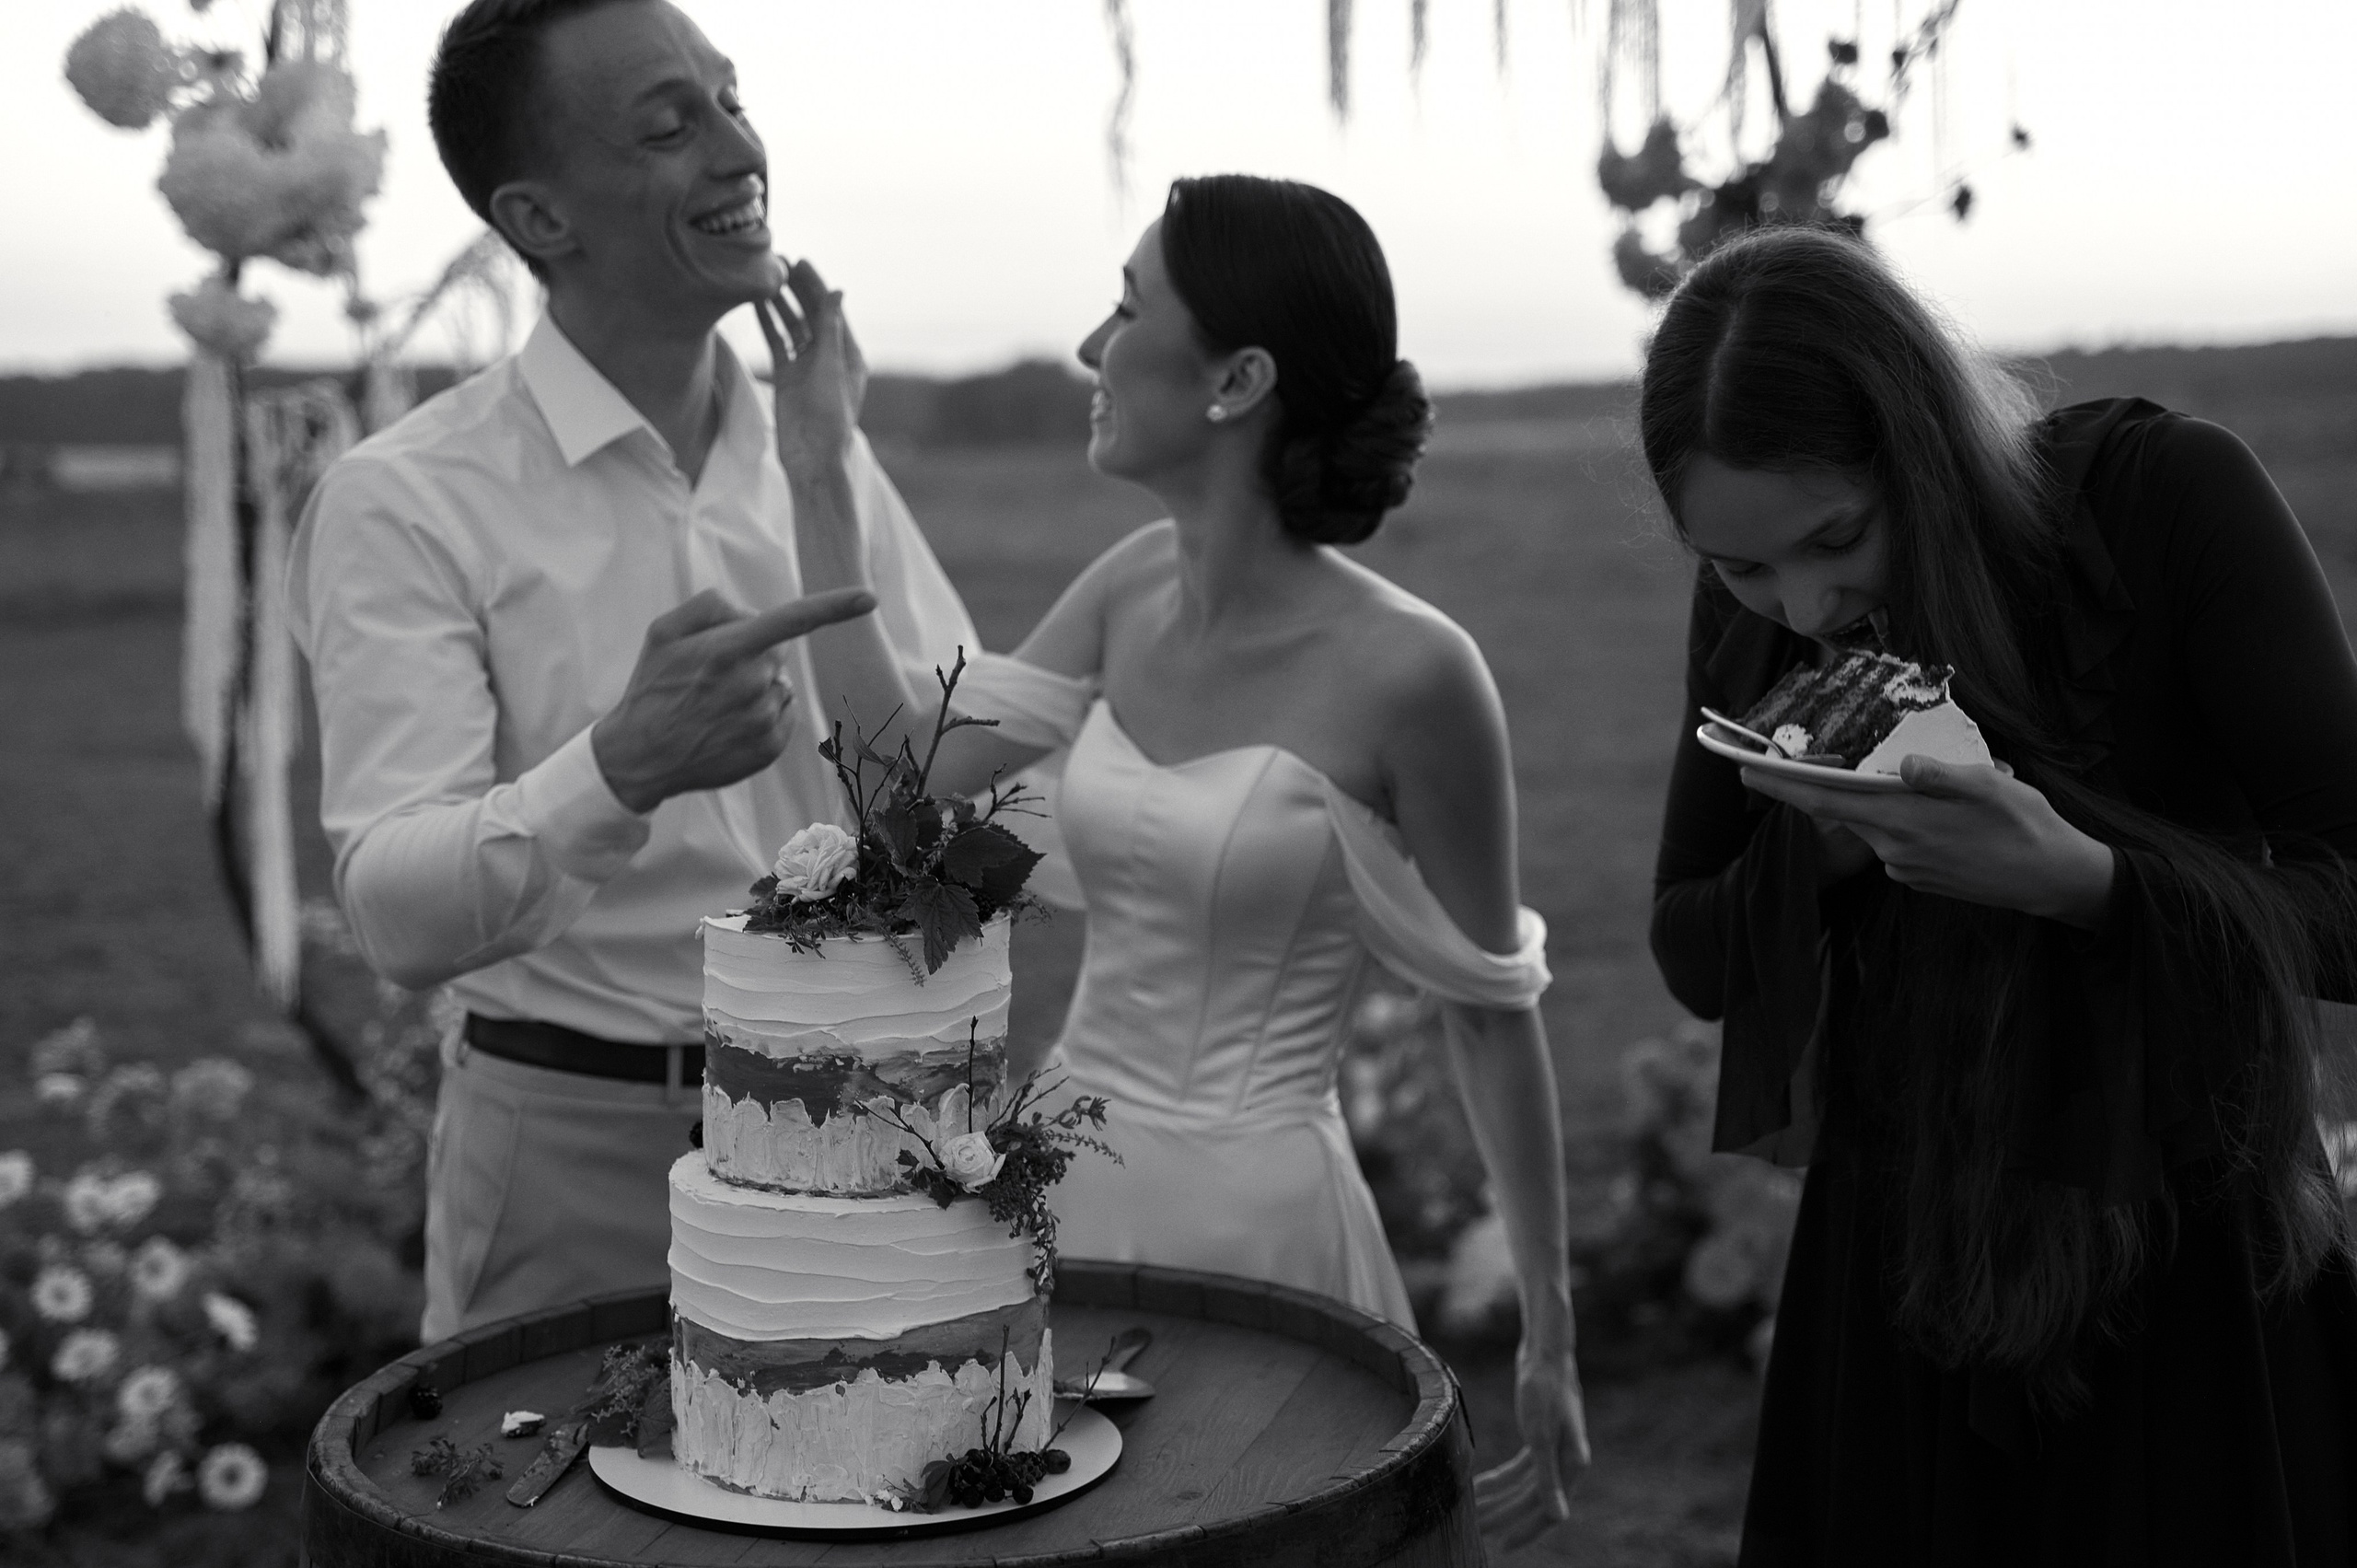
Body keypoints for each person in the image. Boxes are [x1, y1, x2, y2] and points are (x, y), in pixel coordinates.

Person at [763, 173, 1589, 1549]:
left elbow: (1492, 1015)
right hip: (1058, 1193)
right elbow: (891, 774)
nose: (1093, 348)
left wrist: (1552, 1332)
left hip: (1265, 1231)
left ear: (1239, 379)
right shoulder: (1130, 585)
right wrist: (815, 465)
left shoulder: (1419, 672)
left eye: (1127, 307)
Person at [1644, 225, 2357, 1563]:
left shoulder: (2166, 501)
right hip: (1898, 1253)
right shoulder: (1764, 604)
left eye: (1836, 538)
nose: (1805, 608)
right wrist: (1834, 843)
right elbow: (1691, 944)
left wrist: (2084, 885)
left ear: (1919, 446)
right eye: (1741, 568)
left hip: (2180, 1241)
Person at [287, 0, 976, 1343]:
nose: (738, 148)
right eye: (672, 126)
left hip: (858, 1134)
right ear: (541, 220)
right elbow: (392, 913)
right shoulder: (407, 499)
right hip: (569, 1161)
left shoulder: (818, 449)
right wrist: (618, 767)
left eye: (731, 98)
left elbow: (941, 789)